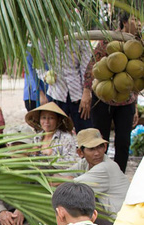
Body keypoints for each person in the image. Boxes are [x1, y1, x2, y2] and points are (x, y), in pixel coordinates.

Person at [83, 10, 142, 173]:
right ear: (124, 22)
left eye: (140, 20)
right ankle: (98, 174)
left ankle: (119, 176)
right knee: (99, 142)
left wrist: (135, 104)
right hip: (102, 100)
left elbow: (136, 79)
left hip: (126, 102)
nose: (139, 23)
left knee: (123, 142)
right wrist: (86, 92)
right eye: (134, 19)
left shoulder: (139, 45)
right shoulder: (109, 40)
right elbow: (91, 67)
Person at [68, 129, 130, 225]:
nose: (97, 153)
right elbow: (65, 175)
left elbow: (69, 185)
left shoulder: (106, 167)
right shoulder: (85, 163)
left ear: (105, 147)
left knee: (78, 199)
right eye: (91, 149)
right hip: (112, 218)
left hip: (121, 223)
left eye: (100, 147)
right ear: (80, 152)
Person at [37, 40, 93, 133]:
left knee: (86, 132)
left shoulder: (80, 37)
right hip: (56, 93)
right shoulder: (46, 38)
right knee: (56, 132)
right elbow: (38, 64)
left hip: (78, 94)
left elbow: (86, 67)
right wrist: (45, 76)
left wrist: (86, 92)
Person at [25, 102, 77, 168]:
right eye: (43, 118)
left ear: (58, 120)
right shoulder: (37, 138)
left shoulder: (66, 138)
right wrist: (32, 153)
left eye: (51, 118)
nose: (46, 122)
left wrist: (52, 155)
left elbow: (71, 164)